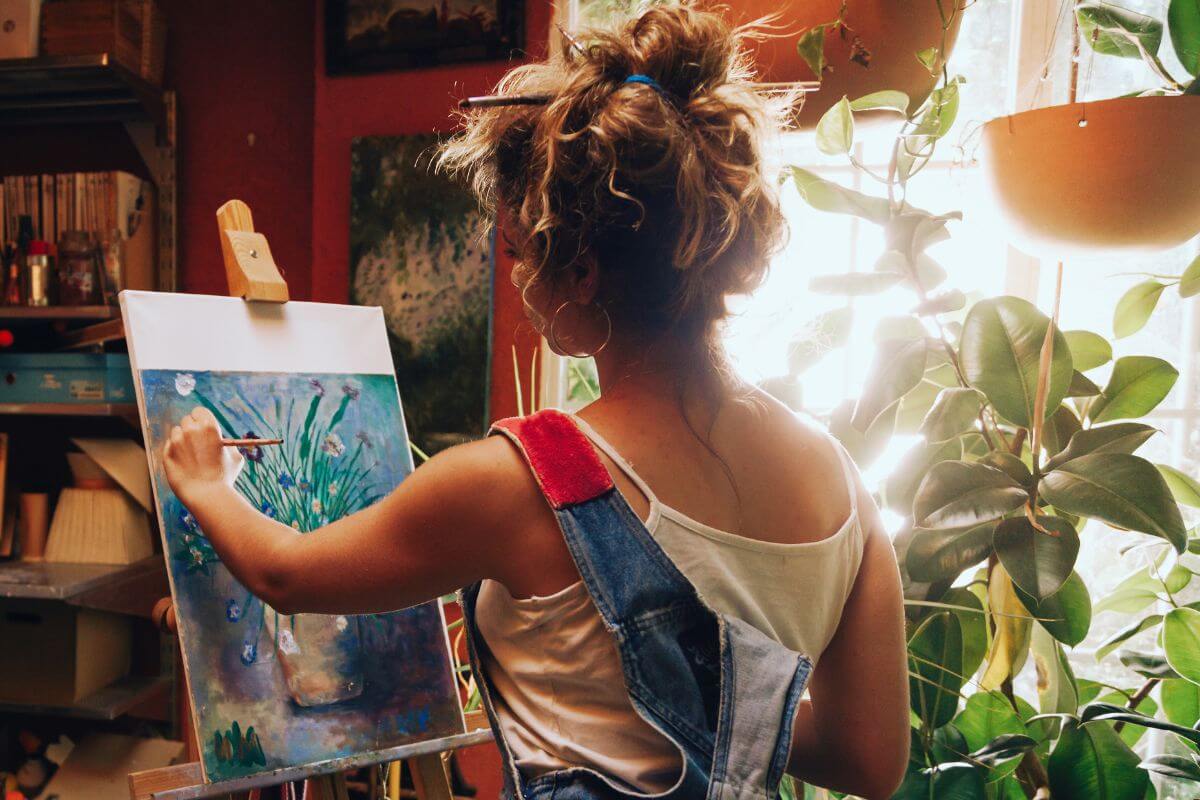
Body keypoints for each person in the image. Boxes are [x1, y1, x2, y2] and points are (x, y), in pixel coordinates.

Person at [162, 3, 909, 797]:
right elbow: (868, 759)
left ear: (581, 274)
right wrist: (700, 708)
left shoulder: (519, 481)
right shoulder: (841, 483)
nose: (518, 281)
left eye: (521, 253)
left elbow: (286, 574)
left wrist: (207, 484)